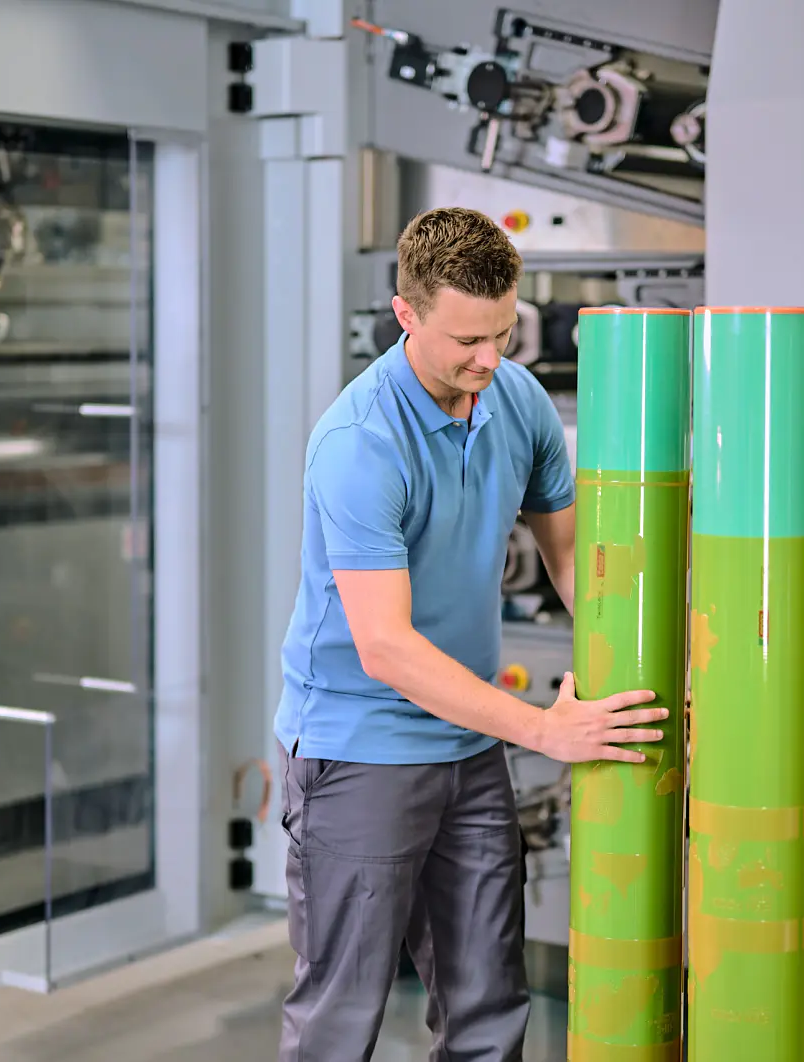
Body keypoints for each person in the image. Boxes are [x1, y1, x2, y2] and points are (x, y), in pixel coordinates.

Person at [274, 206, 667, 1061]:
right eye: (466, 342)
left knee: (489, 1002)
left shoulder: (516, 397)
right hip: (358, 750)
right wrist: (543, 730)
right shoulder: (359, 442)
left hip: (467, 745)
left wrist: (633, 672)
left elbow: (571, 562)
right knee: (342, 1014)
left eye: (503, 333)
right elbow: (386, 647)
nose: (489, 359)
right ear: (405, 314)